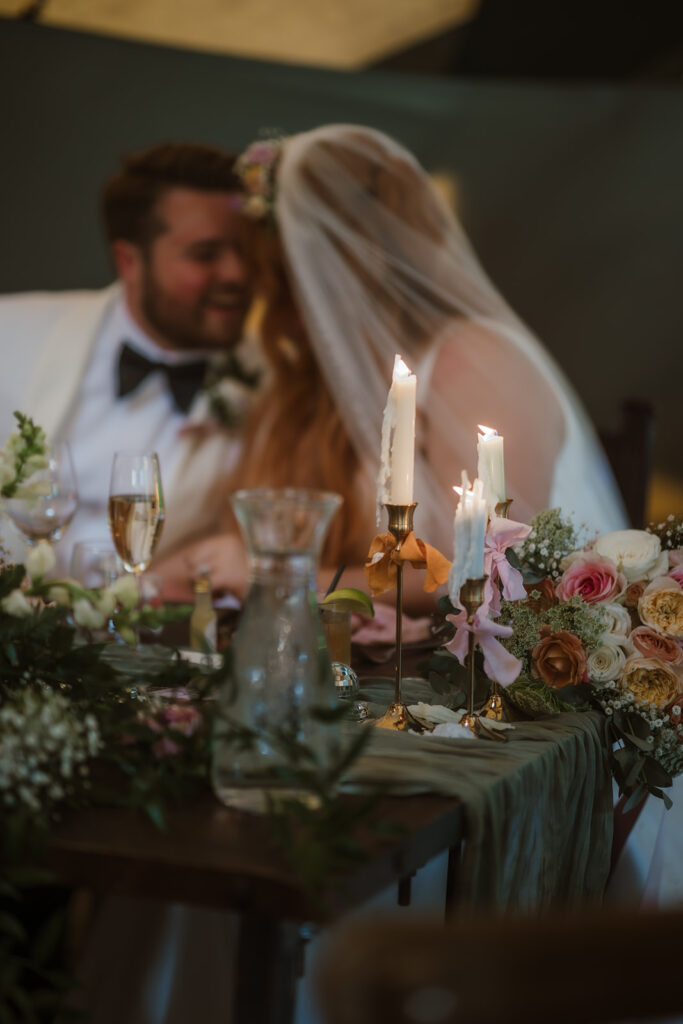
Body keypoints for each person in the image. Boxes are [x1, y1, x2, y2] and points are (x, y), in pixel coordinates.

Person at [154, 125, 627, 609]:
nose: (277, 309)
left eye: (287, 283)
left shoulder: (477, 363)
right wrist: (154, 580)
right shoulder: (318, 379)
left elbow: (482, 576)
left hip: (523, 666)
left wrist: (270, 576)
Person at [0, 142, 258, 573]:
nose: (237, 274)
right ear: (129, 261)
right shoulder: (11, 334)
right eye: (206, 254)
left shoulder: (275, 383)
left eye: (246, 250)